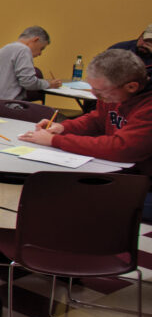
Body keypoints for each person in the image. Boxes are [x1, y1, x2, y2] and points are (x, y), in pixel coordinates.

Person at [19, 49, 152, 219]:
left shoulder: (147, 107)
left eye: (100, 91)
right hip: (127, 175)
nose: (94, 95)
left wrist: (55, 140)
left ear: (131, 86)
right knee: (56, 190)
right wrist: (64, 128)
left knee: (73, 197)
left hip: (144, 184)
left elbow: (121, 148)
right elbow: (97, 119)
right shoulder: (117, 95)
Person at [0, 25, 62, 100]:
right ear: (35, 40)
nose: (40, 53)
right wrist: (49, 84)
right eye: (41, 48)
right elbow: (28, 82)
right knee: (49, 113)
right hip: (7, 105)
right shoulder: (23, 50)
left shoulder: (6, 48)